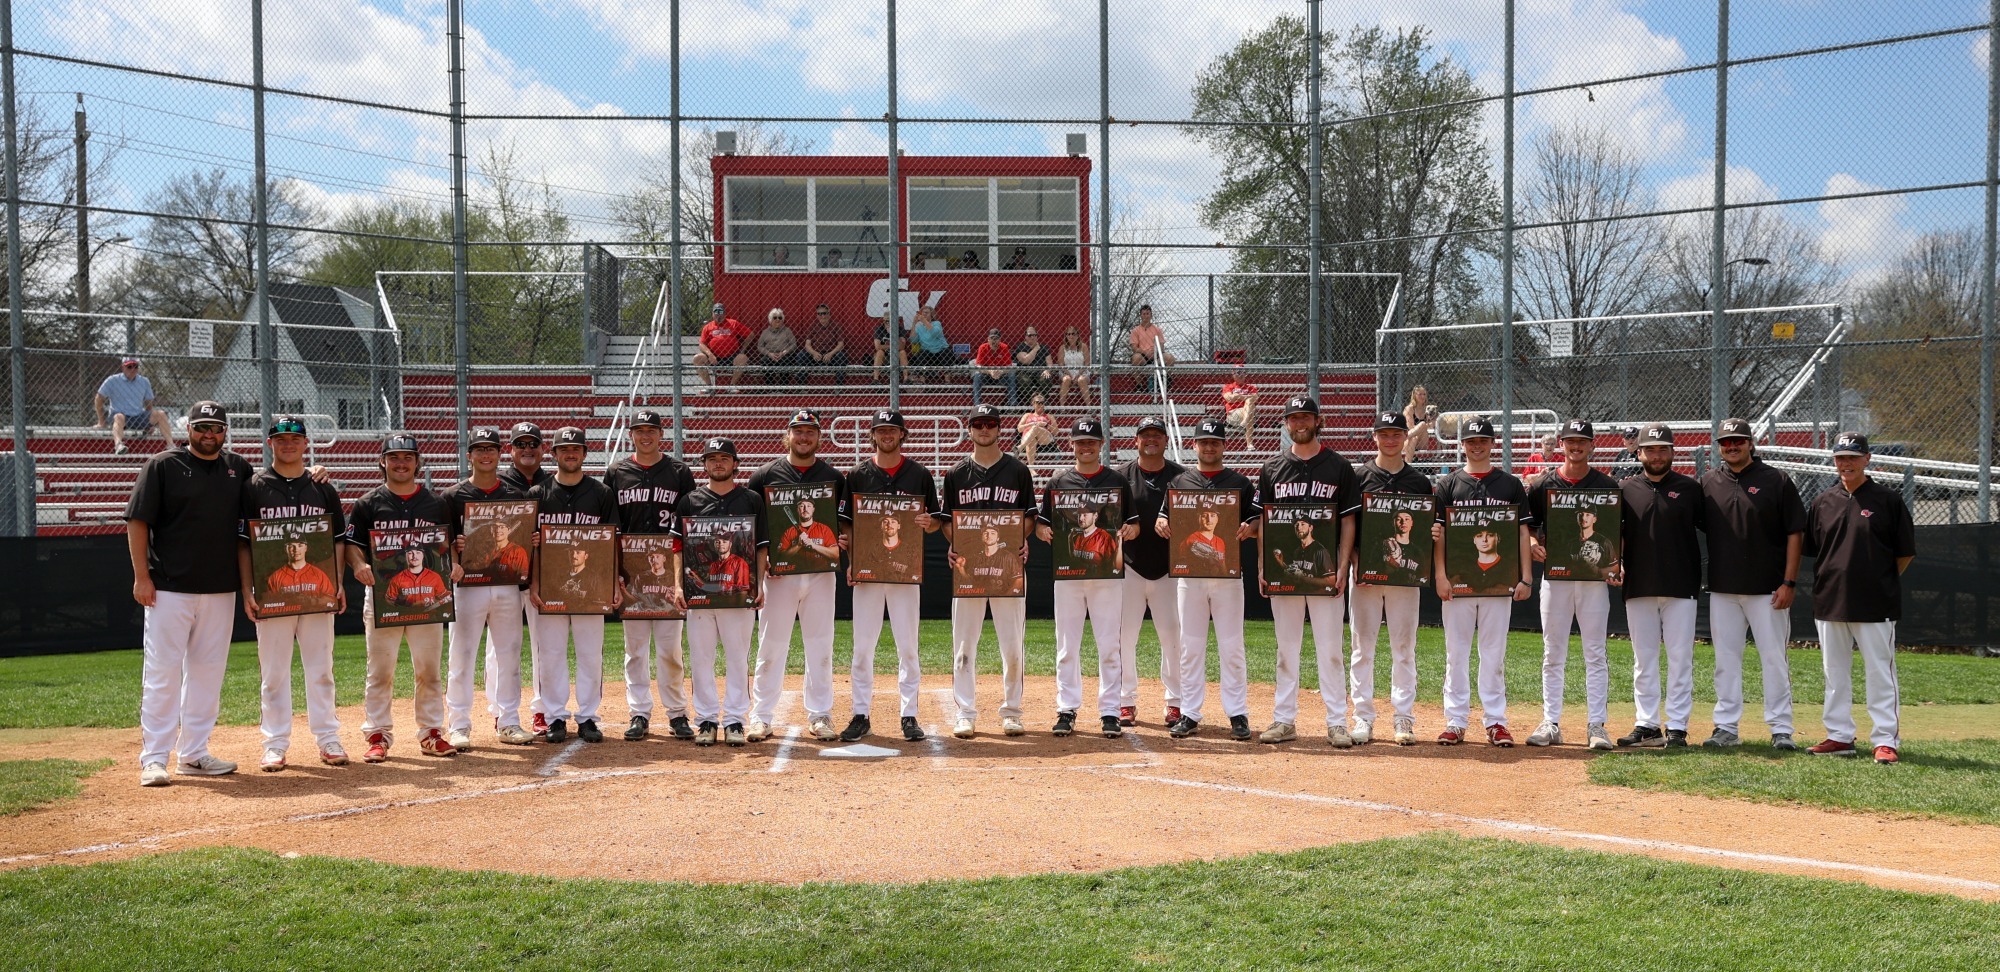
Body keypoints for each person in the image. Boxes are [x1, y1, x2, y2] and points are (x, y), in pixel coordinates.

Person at [235, 414, 347, 773]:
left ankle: (328, 738)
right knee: (273, 672)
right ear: (270, 444)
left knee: (321, 669)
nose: (288, 444)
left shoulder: (322, 487)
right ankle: (275, 744)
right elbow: (243, 544)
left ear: (305, 444)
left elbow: (338, 541)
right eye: (281, 439)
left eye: (294, 439)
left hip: (316, 592)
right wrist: (247, 589)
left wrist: (339, 582)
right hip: (274, 591)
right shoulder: (253, 486)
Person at [345, 433, 461, 763]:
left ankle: (431, 732)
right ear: (382, 461)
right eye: (394, 456)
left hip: (427, 598)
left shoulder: (435, 503)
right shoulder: (369, 503)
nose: (401, 462)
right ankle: (378, 734)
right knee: (380, 670)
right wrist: (359, 565)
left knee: (429, 669)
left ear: (417, 463)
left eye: (407, 457)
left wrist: (454, 565)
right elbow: (352, 544)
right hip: (386, 598)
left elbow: (446, 544)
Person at [1804, 432, 1917, 764]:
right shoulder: (1822, 501)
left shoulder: (1887, 500)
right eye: (1840, 457)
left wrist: (1878, 580)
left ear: (1867, 459)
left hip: (1875, 602)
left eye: (1853, 456)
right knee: (1834, 673)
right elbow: (1817, 551)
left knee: (1880, 672)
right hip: (1830, 600)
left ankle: (1885, 739)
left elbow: (1905, 554)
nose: (1846, 463)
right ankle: (1839, 736)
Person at [1254, 396, 1359, 748]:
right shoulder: (1271, 469)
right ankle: (1284, 720)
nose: (1300, 423)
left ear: (1318, 421)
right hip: (1284, 575)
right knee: (1287, 648)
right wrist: (1262, 567)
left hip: (1325, 571)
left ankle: (1337, 722)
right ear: (1285, 424)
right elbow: (1264, 525)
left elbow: (1348, 521)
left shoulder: (1339, 467)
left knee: (1330, 648)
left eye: (1306, 418)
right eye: (1293, 418)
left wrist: (1342, 566)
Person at [1699, 417, 1806, 750]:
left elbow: (1795, 533)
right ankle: (1726, 727)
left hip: (1768, 589)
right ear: (1719, 447)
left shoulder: (1776, 480)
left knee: (1774, 658)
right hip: (1723, 588)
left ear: (1751, 443)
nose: (1732, 446)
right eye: (1726, 442)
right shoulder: (1708, 482)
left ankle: (1781, 729)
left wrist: (1789, 581)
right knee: (1725, 660)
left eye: (1738, 441)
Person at [746, 409, 847, 743]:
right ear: (787, 435)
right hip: (778, 576)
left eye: (810, 432)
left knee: (820, 645)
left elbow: (841, 526)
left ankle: (820, 714)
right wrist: (765, 563)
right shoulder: (764, 476)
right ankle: (760, 717)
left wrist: (842, 538)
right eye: (798, 431)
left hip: (820, 574)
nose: (804, 437)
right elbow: (754, 529)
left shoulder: (834, 476)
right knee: (771, 646)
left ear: (819, 437)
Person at [1431, 416, 1533, 747]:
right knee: (1456, 653)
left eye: (1483, 441)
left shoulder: (1510, 484)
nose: (1477, 446)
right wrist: (1440, 576)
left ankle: (1496, 721)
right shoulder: (1448, 485)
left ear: (1492, 444)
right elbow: (1439, 535)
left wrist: (1526, 577)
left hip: (1498, 582)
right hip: (1458, 584)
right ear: (1462, 445)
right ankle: (1456, 720)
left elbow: (1521, 532)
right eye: (1471, 441)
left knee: (1493, 653)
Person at [841, 409, 942, 742]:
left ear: (902, 435)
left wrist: (932, 523)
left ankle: (909, 715)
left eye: (892, 430)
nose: (887, 435)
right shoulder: (857, 474)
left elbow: (937, 519)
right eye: (881, 430)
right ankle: (860, 713)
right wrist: (851, 559)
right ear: (873, 435)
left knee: (908, 647)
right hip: (868, 571)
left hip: (904, 571)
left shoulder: (919, 474)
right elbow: (848, 523)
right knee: (862, 648)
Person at [1524, 419, 1624, 752]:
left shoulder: (1607, 485)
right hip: (1557, 578)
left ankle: (1597, 725)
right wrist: (1532, 544)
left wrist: (1616, 561)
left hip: (1594, 580)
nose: (1576, 446)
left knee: (1595, 652)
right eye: (1570, 441)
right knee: (1553, 652)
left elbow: (1616, 531)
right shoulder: (1543, 485)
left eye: (1582, 441)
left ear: (1592, 445)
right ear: (1562, 444)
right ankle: (1550, 721)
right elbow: (1529, 526)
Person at [1036, 418, 1137, 739]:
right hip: (1068, 577)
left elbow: (1133, 524)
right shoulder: (1058, 482)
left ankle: (1110, 710)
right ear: (1071, 444)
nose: (1086, 446)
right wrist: (1042, 529)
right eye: (1081, 441)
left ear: (1102, 444)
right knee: (1067, 646)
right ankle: (1067, 708)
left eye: (1091, 441)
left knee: (1109, 645)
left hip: (1107, 578)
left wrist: (1131, 530)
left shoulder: (1116, 481)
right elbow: (1040, 524)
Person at [943, 402, 1038, 737]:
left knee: (1012, 645)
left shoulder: (1017, 471)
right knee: (964, 646)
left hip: (1007, 567)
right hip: (968, 570)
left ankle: (1012, 711)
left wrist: (1020, 540)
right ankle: (965, 712)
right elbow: (947, 522)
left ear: (1000, 428)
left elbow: (1029, 517)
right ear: (969, 429)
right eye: (978, 424)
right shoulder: (956, 474)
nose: (984, 429)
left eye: (990, 424)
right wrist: (955, 547)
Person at [1162, 416, 1261, 740]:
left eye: (1214, 442)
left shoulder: (1240, 483)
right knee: (1190, 646)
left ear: (1223, 445)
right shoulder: (1180, 483)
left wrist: (1252, 527)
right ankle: (1190, 712)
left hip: (1227, 576)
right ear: (1194, 445)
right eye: (1203, 442)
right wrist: (1161, 524)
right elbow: (1164, 519)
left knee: (1231, 646)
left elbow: (1256, 519)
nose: (1209, 447)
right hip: (1190, 577)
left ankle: (1237, 713)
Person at [605, 408, 699, 743]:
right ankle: (639, 713)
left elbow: (689, 519)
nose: (646, 436)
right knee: (635, 649)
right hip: (632, 572)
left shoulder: (678, 471)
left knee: (671, 648)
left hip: (668, 568)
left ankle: (676, 713)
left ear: (662, 434)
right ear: (631, 434)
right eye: (639, 430)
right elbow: (609, 526)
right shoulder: (617, 472)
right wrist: (614, 572)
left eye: (652, 430)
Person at [441, 427, 536, 751]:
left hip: (507, 585)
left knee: (509, 655)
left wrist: (532, 542)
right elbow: (444, 543)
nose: (485, 455)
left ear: (499, 454)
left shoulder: (514, 493)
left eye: (491, 449)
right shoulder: (453, 496)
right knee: (461, 655)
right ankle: (459, 725)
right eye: (479, 449)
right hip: (467, 586)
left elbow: (525, 536)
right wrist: (455, 546)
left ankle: (508, 721)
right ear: (469, 455)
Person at [528, 426, 620, 745]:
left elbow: (612, 543)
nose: (570, 453)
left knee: (590, 654)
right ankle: (554, 717)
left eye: (576, 448)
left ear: (584, 453)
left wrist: (612, 583)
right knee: (551, 654)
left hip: (591, 587)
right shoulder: (538, 494)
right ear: (553, 454)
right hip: (551, 586)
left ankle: (588, 717)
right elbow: (532, 547)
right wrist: (535, 584)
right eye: (564, 449)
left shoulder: (601, 493)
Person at [1617, 424, 1705, 753]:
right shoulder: (1625, 489)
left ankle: (1678, 727)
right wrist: (1616, 562)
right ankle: (1647, 724)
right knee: (1644, 659)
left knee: (1680, 657)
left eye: (1662, 449)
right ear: (1638, 452)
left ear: (1672, 452)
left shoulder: (1691, 489)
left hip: (1681, 584)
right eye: (1650, 449)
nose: (1656, 455)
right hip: (1639, 583)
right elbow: (1615, 534)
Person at [1348, 410, 1433, 746]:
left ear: (1406, 438)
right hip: (1366, 577)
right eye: (1384, 433)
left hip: (1405, 578)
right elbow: (1348, 528)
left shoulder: (1419, 482)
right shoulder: (1359, 478)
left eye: (1397, 433)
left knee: (1403, 648)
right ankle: (1362, 717)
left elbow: (1426, 530)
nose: (1390, 439)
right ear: (1375, 437)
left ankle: (1403, 718)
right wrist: (1356, 562)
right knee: (1362, 648)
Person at [675, 437, 765, 746]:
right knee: (701, 658)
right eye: (712, 458)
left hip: (739, 598)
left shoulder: (751, 499)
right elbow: (678, 548)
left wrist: (760, 584)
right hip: (700, 601)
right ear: (704, 464)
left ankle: (736, 720)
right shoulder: (690, 501)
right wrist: (677, 585)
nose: (718, 463)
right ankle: (706, 720)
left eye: (724, 458)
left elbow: (762, 547)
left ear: (735, 463)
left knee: (737, 658)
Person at [1116, 417, 1184, 727]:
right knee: (1123, 637)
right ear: (1136, 440)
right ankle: (1124, 702)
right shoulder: (1121, 477)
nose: (1151, 440)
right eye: (1146, 435)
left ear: (1166, 440)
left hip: (1169, 568)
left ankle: (1176, 703)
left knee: (1172, 637)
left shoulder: (1182, 478)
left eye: (1157, 435)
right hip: (1129, 566)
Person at [500, 422, 554, 738]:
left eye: (533, 443)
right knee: (501, 648)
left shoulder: (552, 482)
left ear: (542, 449)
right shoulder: (498, 480)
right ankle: (499, 712)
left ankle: (541, 711)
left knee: (542, 645)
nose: (527, 449)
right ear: (511, 450)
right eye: (521, 444)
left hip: (542, 574)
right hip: (506, 576)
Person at [95, 358, 176, 455]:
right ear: (123, 368)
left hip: (138, 416)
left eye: (135, 366)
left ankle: (171, 445)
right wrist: (101, 421)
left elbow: (148, 402)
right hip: (121, 417)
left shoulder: (144, 381)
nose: (133, 369)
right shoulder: (112, 380)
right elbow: (99, 398)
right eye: (129, 367)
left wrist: (149, 425)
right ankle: (119, 445)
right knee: (119, 417)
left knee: (161, 414)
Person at [693, 303, 751, 389]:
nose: (718, 314)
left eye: (720, 311)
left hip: (732, 356)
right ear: (712, 314)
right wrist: (710, 355)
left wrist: (742, 349)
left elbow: (750, 334)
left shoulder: (733, 323)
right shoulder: (707, 327)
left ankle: (732, 386)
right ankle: (709, 386)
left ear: (725, 313)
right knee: (697, 358)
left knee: (743, 358)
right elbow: (702, 344)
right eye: (715, 312)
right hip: (714, 358)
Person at [803, 304, 853, 384]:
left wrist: (831, 354)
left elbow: (841, 344)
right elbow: (807, 345)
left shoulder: (836, 326)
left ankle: (839, 386)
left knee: (842, 356)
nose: (822, 316)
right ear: (817, 315)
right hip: (816, 357)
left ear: (829, 314)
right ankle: (801, 386)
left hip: (831, 357)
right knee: (801, 355)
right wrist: (814, 353)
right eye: (819, 314)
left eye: (824, 313)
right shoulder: (813, 326)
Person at [755, 308, 805, 382]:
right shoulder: (765, 332)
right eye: (775, 318)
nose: (777, 319)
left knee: (786, 361)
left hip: (784, 355)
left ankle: (783, 386)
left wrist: (784, 352)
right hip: (770, 356)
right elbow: (760, 346)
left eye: (780, 318)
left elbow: (794, 344)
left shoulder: (787, 331)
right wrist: (769, 354)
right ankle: (770, 387)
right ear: (770, 320)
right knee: (764, 361)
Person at [971, 328, 1016, 406]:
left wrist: (1001, 372)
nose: (994, 341)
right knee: (977, 376)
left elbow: (1009, 366)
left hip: (1000, 376)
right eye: (992, 338)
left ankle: (1013, 403)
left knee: (1011, 375)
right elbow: (978, 367)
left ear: (1000, 340)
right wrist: (990, 371)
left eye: (996, 338)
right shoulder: (983, 347)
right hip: (986, 376)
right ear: (988, 339)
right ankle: (977, 404)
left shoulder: (1004, 347)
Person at [910, 305, 955, 375]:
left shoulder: (937, 323)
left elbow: (934, 333)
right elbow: (913, 340)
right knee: (921, 355)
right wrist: (914, 323)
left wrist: (924, 321)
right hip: (927, 352)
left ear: (932, 314)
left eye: (926, 313)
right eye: (923, 313)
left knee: (946, 353)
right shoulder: (919, 326)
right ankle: (922, 379)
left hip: (940, 350)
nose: (924, 314)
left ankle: (947, 378)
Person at [1013, 327, 1054, 401]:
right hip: (1024, 372)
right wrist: (1036, 349)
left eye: (1034, 335)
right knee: (1024, 381)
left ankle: (1041, 401)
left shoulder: (1044, 347)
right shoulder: (1020, 346)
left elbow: (1050, 363)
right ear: (1025, 337)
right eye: (1030, 335)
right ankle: (1032, 402)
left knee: (1046, 379)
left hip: (1040, 371)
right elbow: (1026, 361)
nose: (1032, 337)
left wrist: (1047, 370)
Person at [1221, 368, 1258, 447]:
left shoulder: (1251, 387)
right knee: (1250, 407)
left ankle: (1244, 423)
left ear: (1245, 374)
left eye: (1242, 372)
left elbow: (1255, 398)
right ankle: (1249, 444)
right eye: (1237, 373)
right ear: (1233, 375)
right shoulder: (1228, 387)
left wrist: (1237, 396)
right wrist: (1247, 397)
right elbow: (1229, 399)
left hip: (1248, 413)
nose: (1240, 375)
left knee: (1250, 404)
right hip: (1233, 414)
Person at [1057, 326, 1092, 405]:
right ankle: (1062, 407)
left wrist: (1078, 375)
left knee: (1081, 380)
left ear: (1077, 335)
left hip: (1081, 371)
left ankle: (1089, 407)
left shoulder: (1083, 346)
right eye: (1068, 334)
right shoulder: (1062, 348)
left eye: (1073, 334)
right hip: (1066, 372)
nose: (1070, 336)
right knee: (1066, 379)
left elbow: (1087, 363)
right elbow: (1061, 364)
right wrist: (1069, 375)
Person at [871, 312, 910, 383]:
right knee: (879, 352)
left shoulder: (900, 329)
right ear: (883, 321)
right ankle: (875, 379)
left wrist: (894, 334)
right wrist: (894, 346)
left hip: (896, 355)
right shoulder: (879, 329)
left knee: (902, 352)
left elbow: (902, 347)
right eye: (887, 321)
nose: (889, 323)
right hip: (884, 356)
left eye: (892, 321)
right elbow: (877, 347)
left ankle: (906, 378)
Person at [1402, 386, 1438, 459]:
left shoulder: (1427, 409)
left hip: (1422, 440)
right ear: (1414, 395)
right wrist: (1424, 426)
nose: (1423, 396)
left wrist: (1424, 426)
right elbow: (1410, 427)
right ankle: (1408, 465)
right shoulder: (1409, 408)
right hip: (1408, 441)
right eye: (1420, 394)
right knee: (1414, 437)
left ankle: (1402, 438)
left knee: (1422, 425)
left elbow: (1433, 425)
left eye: (1424, 394)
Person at [1016, 395, 1056, 460]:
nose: (1040, 404)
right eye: (1037, 402)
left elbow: (1056, 432)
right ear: (1033, 404)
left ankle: (1020, 447)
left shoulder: (1049, 416)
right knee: (1032, 439)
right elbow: (1019, 429)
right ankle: (1031, 467)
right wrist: (1031, 424)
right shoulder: (1027, 415)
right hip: (1028, 438)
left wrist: (1046, 425)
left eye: (1042, 403)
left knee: (1035, 428)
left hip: (1044, 438)